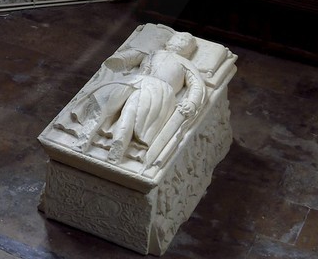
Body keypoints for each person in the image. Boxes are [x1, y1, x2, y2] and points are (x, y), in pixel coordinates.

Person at [59, 30, 207, 167]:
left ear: (189, 51)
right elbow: (129, 57)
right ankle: (84, 138)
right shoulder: (153, 53)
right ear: (168, 41)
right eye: (178, 37)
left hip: (157, 89)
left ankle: (118, 147)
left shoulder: (185, 64)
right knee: (104, 99)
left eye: (185, 41)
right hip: (135, 79)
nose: (180, 40)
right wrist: (118, 59)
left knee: (131, 110)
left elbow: (197, 84)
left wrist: (192, 101)